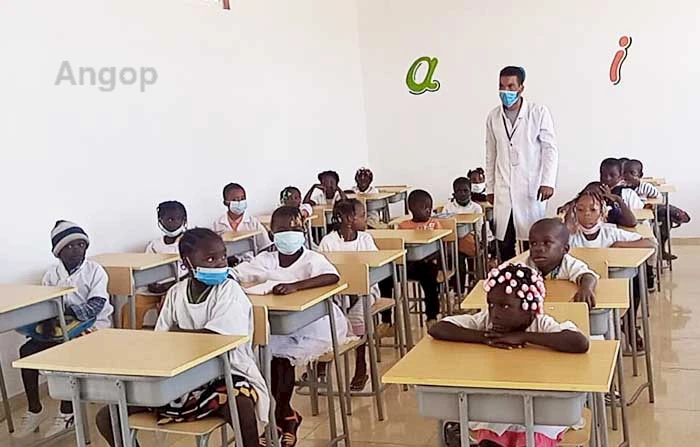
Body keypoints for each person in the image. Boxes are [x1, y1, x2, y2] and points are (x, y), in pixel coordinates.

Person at [95, 229, 268, 447]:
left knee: (241, 404)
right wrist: (182, 338)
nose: (220, 263)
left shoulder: (229, 290)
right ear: (187, 262)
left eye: (223, 256)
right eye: (211, 259)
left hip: (225, 373)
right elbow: (161, 341)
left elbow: (217, 341)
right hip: (179, 378)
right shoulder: (176, 293)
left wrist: (178, 334)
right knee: (106, 417)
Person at [430, 263, 588, 447]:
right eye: (491, 304)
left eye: (505, 306)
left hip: (540, 411)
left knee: (531, 438)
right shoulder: (486, 322)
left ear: (528, 307)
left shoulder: (540, 323)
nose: (495, 313)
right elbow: (438, 328)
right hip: (500, 410)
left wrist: (523, 336)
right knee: (492, 435)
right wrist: (485, 338)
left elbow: (579, 342)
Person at [233, 206, 352, 446]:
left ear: (303, 230)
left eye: (295, 228)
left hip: (316, 324)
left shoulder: (311, 258)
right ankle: (285, 415)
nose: (290, 233)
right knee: (269, 356)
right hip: (280, 324)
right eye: (283, 229)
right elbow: (239, 274)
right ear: (272, 232)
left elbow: (332, 277)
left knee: (282, 359)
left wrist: (297, 286)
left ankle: (283, 416)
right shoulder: (265, 259)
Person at [14, 221, 112, 439]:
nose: (77, 249)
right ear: (57, 252)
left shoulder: (95, 271)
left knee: (67, 353)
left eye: (80, 244)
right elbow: (47, 304)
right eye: (69, 246)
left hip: (95, 328)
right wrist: (50, 319)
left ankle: (68, 411)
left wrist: (63, 312)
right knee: (27, 351)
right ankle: (34, 409)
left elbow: (95, 306)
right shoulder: (51, 274)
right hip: (63, 328)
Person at [485, 66, 559, 262]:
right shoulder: (493, 117)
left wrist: (548, 181)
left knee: (532, 240)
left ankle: (532, 281)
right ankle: (509, 281)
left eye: (511, 86)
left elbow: (549, 149)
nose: (505, 91)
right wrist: (490, 188)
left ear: (521, 88)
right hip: (503, 188)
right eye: (501, 86)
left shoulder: (538, 112)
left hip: (531, 187)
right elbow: (490, 154)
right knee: (505, 240)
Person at [318, 199, 392, 391]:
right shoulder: (328, 242)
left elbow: (375, 266)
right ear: (349, 219)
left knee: (356, 316)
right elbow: (323, 270)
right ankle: (323, 361)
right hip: (337, 293)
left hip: (366, 290)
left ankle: (361, 363)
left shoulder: (365, 239)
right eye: (362, 215)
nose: (366, 219)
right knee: (326, 316)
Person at [527, 218, 598, 308]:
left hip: (566, 310)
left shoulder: (567, 263)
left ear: (565, 249)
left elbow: (588, 276)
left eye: (547, 243)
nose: (538, 248)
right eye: (533, 243)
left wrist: (586, 288)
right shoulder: (526, 265)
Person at [398, 190, 443, 327]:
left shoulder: (434, 224)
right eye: (424, 207)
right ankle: (387, 320)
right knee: (386, 279)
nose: (428, 210)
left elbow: (440, 247)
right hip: (409, 265)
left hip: (428, 264)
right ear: (411, 208)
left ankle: (431, 317)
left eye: (430, 207)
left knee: (430, 281)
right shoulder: (403, 226)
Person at [444, 177, 489, 289]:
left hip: (471, 242)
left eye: (465, 191)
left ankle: (461, 286)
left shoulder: (476, 208)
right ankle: (458, 287)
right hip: (453, 242)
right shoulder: (448, 208)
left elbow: (478, 230)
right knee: (455, 256)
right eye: (459, 191)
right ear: (454, 193)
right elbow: (445, 228)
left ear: (470, 192)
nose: (462, 194)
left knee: (459, 250)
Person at [567, 192, 654, 249]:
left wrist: (620, 244)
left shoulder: (611, 233)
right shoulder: (572, 237)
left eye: (593, 209)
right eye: (580, 209)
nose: (586, 214)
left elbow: (650, 243)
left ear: (602, 212)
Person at [212, 182, 272, 264]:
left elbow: (265, 246)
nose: (240, 202)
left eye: (243, 198)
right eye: (235, 200)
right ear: (226, 202)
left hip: (251, 264)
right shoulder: (218, 224)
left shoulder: (253, 223)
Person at [559, 181, 637, 229]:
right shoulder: (576, 210)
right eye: (586, 195)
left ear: (603, 202)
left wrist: (618, 200)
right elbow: (566, 226)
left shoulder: (609, 213)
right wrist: (572, 205)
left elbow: (632, 222)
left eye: (595, 197)